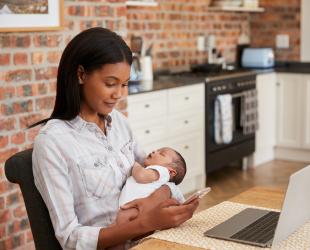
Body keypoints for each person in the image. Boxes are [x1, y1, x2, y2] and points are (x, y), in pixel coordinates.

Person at [31, 27, 199, 250]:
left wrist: (165, 200)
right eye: (110, 84)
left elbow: (156, 173)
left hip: (149, 241)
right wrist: (144, 222)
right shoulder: (53, 142)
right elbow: (71, 238)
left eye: (124, 84)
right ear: (81, 75)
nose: (118, 94)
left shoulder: (118, 122)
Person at [117, 147, 187, 226]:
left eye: (161, 154)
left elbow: (141, 176)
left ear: (171, 172)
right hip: (130, 210)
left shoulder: (163, 171)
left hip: (137, 210)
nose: (154, 151)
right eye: (157, 150)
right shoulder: (154, 173)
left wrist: (135, 163)